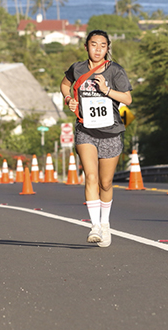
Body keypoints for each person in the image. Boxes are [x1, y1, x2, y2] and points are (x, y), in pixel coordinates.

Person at [60, 29, 133, 248]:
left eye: (102, 45)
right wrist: (68, 99)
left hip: (111, 132)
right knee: (90, 177)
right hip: (86, 131)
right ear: (86, 46)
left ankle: (105, 223)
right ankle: (94, 227)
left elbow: (127, 99)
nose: (98, 49)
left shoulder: (115, 71)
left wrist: (106, 90)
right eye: (94, 44)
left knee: (106, 182)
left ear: (107, 47)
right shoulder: (78, 68)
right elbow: (65, 84)